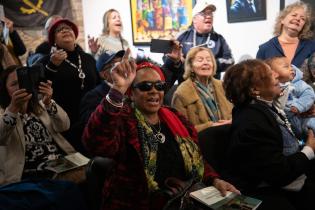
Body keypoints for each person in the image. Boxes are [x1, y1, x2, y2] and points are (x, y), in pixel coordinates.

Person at [82, 51, 239, 209]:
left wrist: (215, 180)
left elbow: (197, 159)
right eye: (145, 86)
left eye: (159, 86)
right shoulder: (123, 119)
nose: (154, 91)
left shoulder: (175, 117)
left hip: (185, 198)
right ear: (131, 93)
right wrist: (117, 90)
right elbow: (95, 143)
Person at [223, 59, 315, 210]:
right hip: (266, 190)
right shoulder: (252, 122)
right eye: (269, 74)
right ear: (255, 90)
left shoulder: (262, 107)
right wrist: (310, 149)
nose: (276, 75)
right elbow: (279, 173)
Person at [0, 65, 76, 185]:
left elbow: (64, 126)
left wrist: (49, 103)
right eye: (14, 84)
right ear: (5, 90)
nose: (20, 86)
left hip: (59, 164)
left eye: (23, 81)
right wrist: (13, 108)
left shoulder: (41, 105)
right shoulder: (3, 113)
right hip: (29, 173)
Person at [38, 18, 99, 153]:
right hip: (64, 123)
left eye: (69, 28)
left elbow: (98, 86)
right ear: (53, 39)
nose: (65, 30)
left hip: (91, 120)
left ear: (75, 35)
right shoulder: (46, 61)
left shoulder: (88, 59)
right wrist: (52, 66)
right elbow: (41, 89)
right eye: (59, 30)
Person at [164, 0, 234, 80]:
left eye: (210, 13)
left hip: (212, 88)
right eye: (204, 13)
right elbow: (166, 59)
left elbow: (230, 61)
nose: (209, 16)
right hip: (186, 87)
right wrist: (177, 62)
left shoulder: (218, 39)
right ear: (194, 19)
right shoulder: (182, 36)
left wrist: (210, 63)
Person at [171, 47, 232, 132]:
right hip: (201, 142)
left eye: (209, 60)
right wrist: (211, 126)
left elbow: (237, 114)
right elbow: (182, 130)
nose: (206, 63)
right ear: (191, 66)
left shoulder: (224, 86)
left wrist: (232, 121)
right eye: (200, 60)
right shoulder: (181, 93)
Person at [267, 56, 315, 140]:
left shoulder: (296, 83)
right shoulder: (270, 87)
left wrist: (299, 106)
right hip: (286, 124)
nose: (291, 68)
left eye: (291, 65)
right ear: (272, 72)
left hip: (303, 118)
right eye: (286, 66)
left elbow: (309, 94)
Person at [256, 2, 315, 68]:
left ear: (304, 26)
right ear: (282, 19)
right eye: (294, 15)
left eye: (302, 19)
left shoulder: (312, 47)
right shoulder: (265, 49)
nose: (298, 19)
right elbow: (258, 77)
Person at [79, 49, 125, 126]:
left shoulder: (133, 89)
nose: (122, 67)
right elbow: (92, 125)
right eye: (116, 65)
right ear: (104, 74)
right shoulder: (92, 97)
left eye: (122, 62)